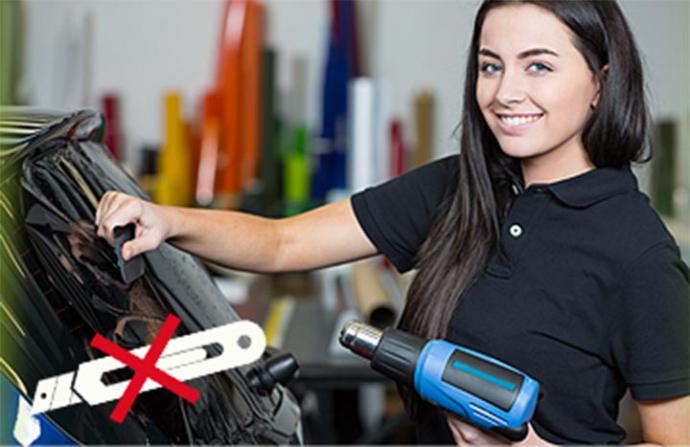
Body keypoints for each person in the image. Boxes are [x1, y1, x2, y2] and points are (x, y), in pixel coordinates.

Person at [95, 0, 689, 444]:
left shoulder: (636, 251)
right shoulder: (465, 186)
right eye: (490, 66)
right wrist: (166, 218)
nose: (506, 92)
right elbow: (282, 243)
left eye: (538, 67)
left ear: (600, 82)